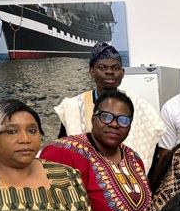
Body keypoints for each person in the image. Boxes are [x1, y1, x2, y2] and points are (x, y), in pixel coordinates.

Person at [55, 41, 165, 171]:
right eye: (102, 68)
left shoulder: (142, 107)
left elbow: (152, 154)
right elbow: (62, 150)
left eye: (115, 68)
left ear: (122, 73)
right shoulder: (72, 107)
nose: (109, 72)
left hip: (130, 177)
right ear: (91, 71)